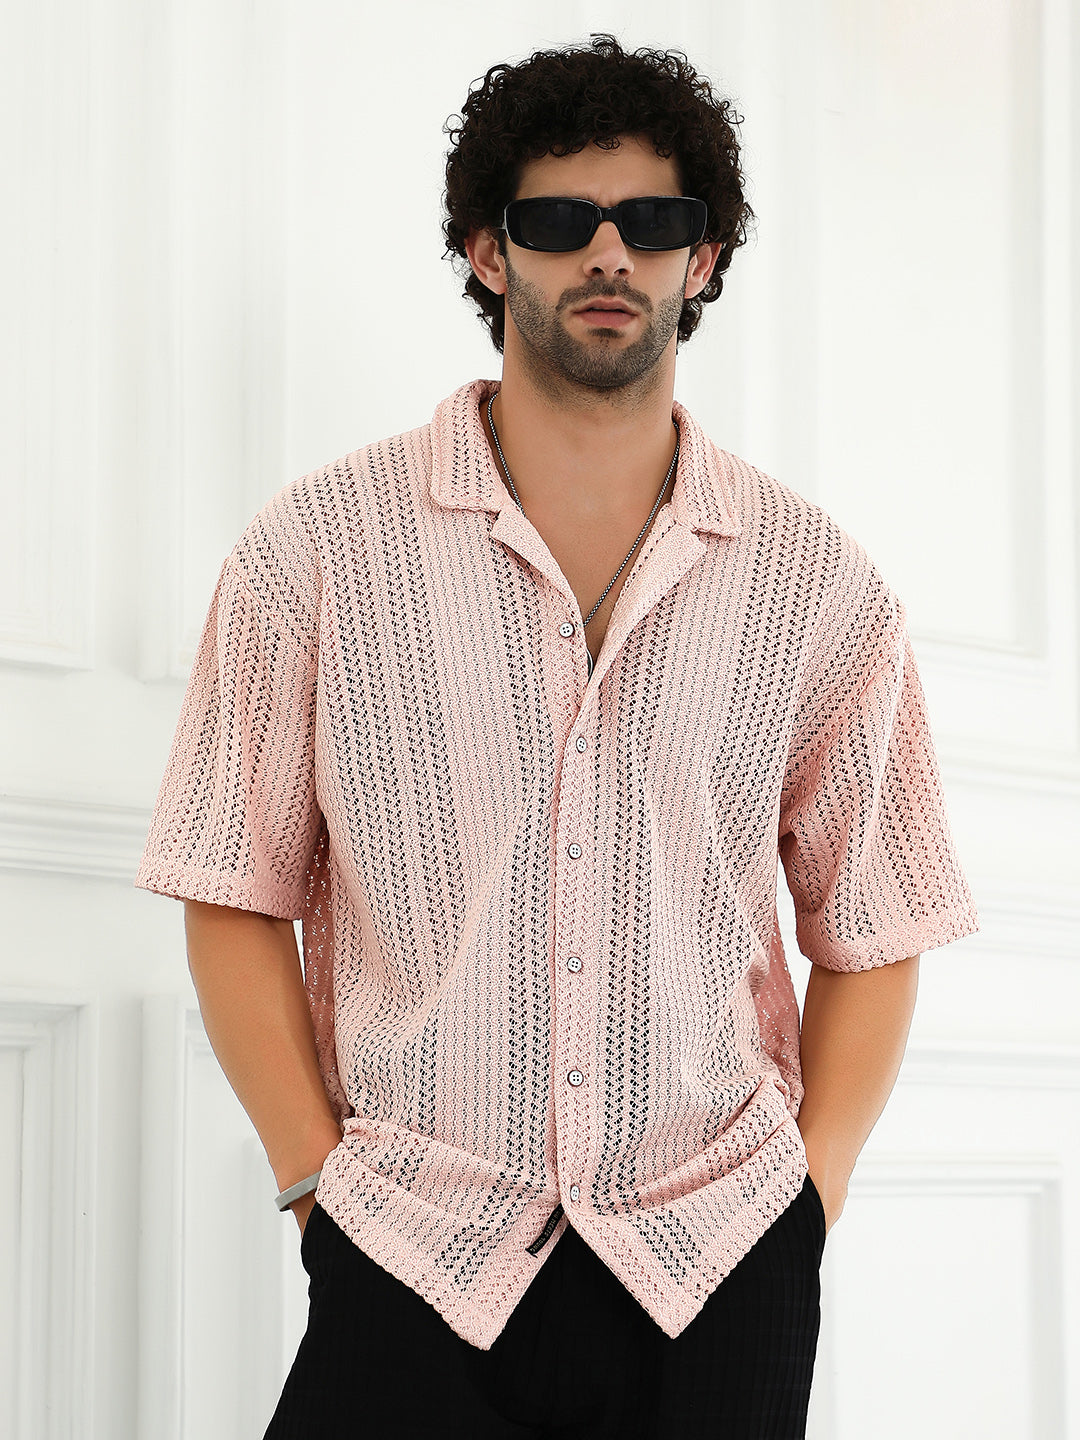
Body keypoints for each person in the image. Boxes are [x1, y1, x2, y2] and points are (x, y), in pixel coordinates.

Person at [135, 33, 979, 1440]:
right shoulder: (317, 553)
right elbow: (232, 885)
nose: (608, 254)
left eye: (652, 221)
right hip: (413, 1240)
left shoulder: (816, 583)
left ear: (702, 259)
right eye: (558, 221)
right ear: (486, 251)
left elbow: (875, 922)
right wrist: (314, 1184)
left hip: (718, 1247)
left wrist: (806, 1202)